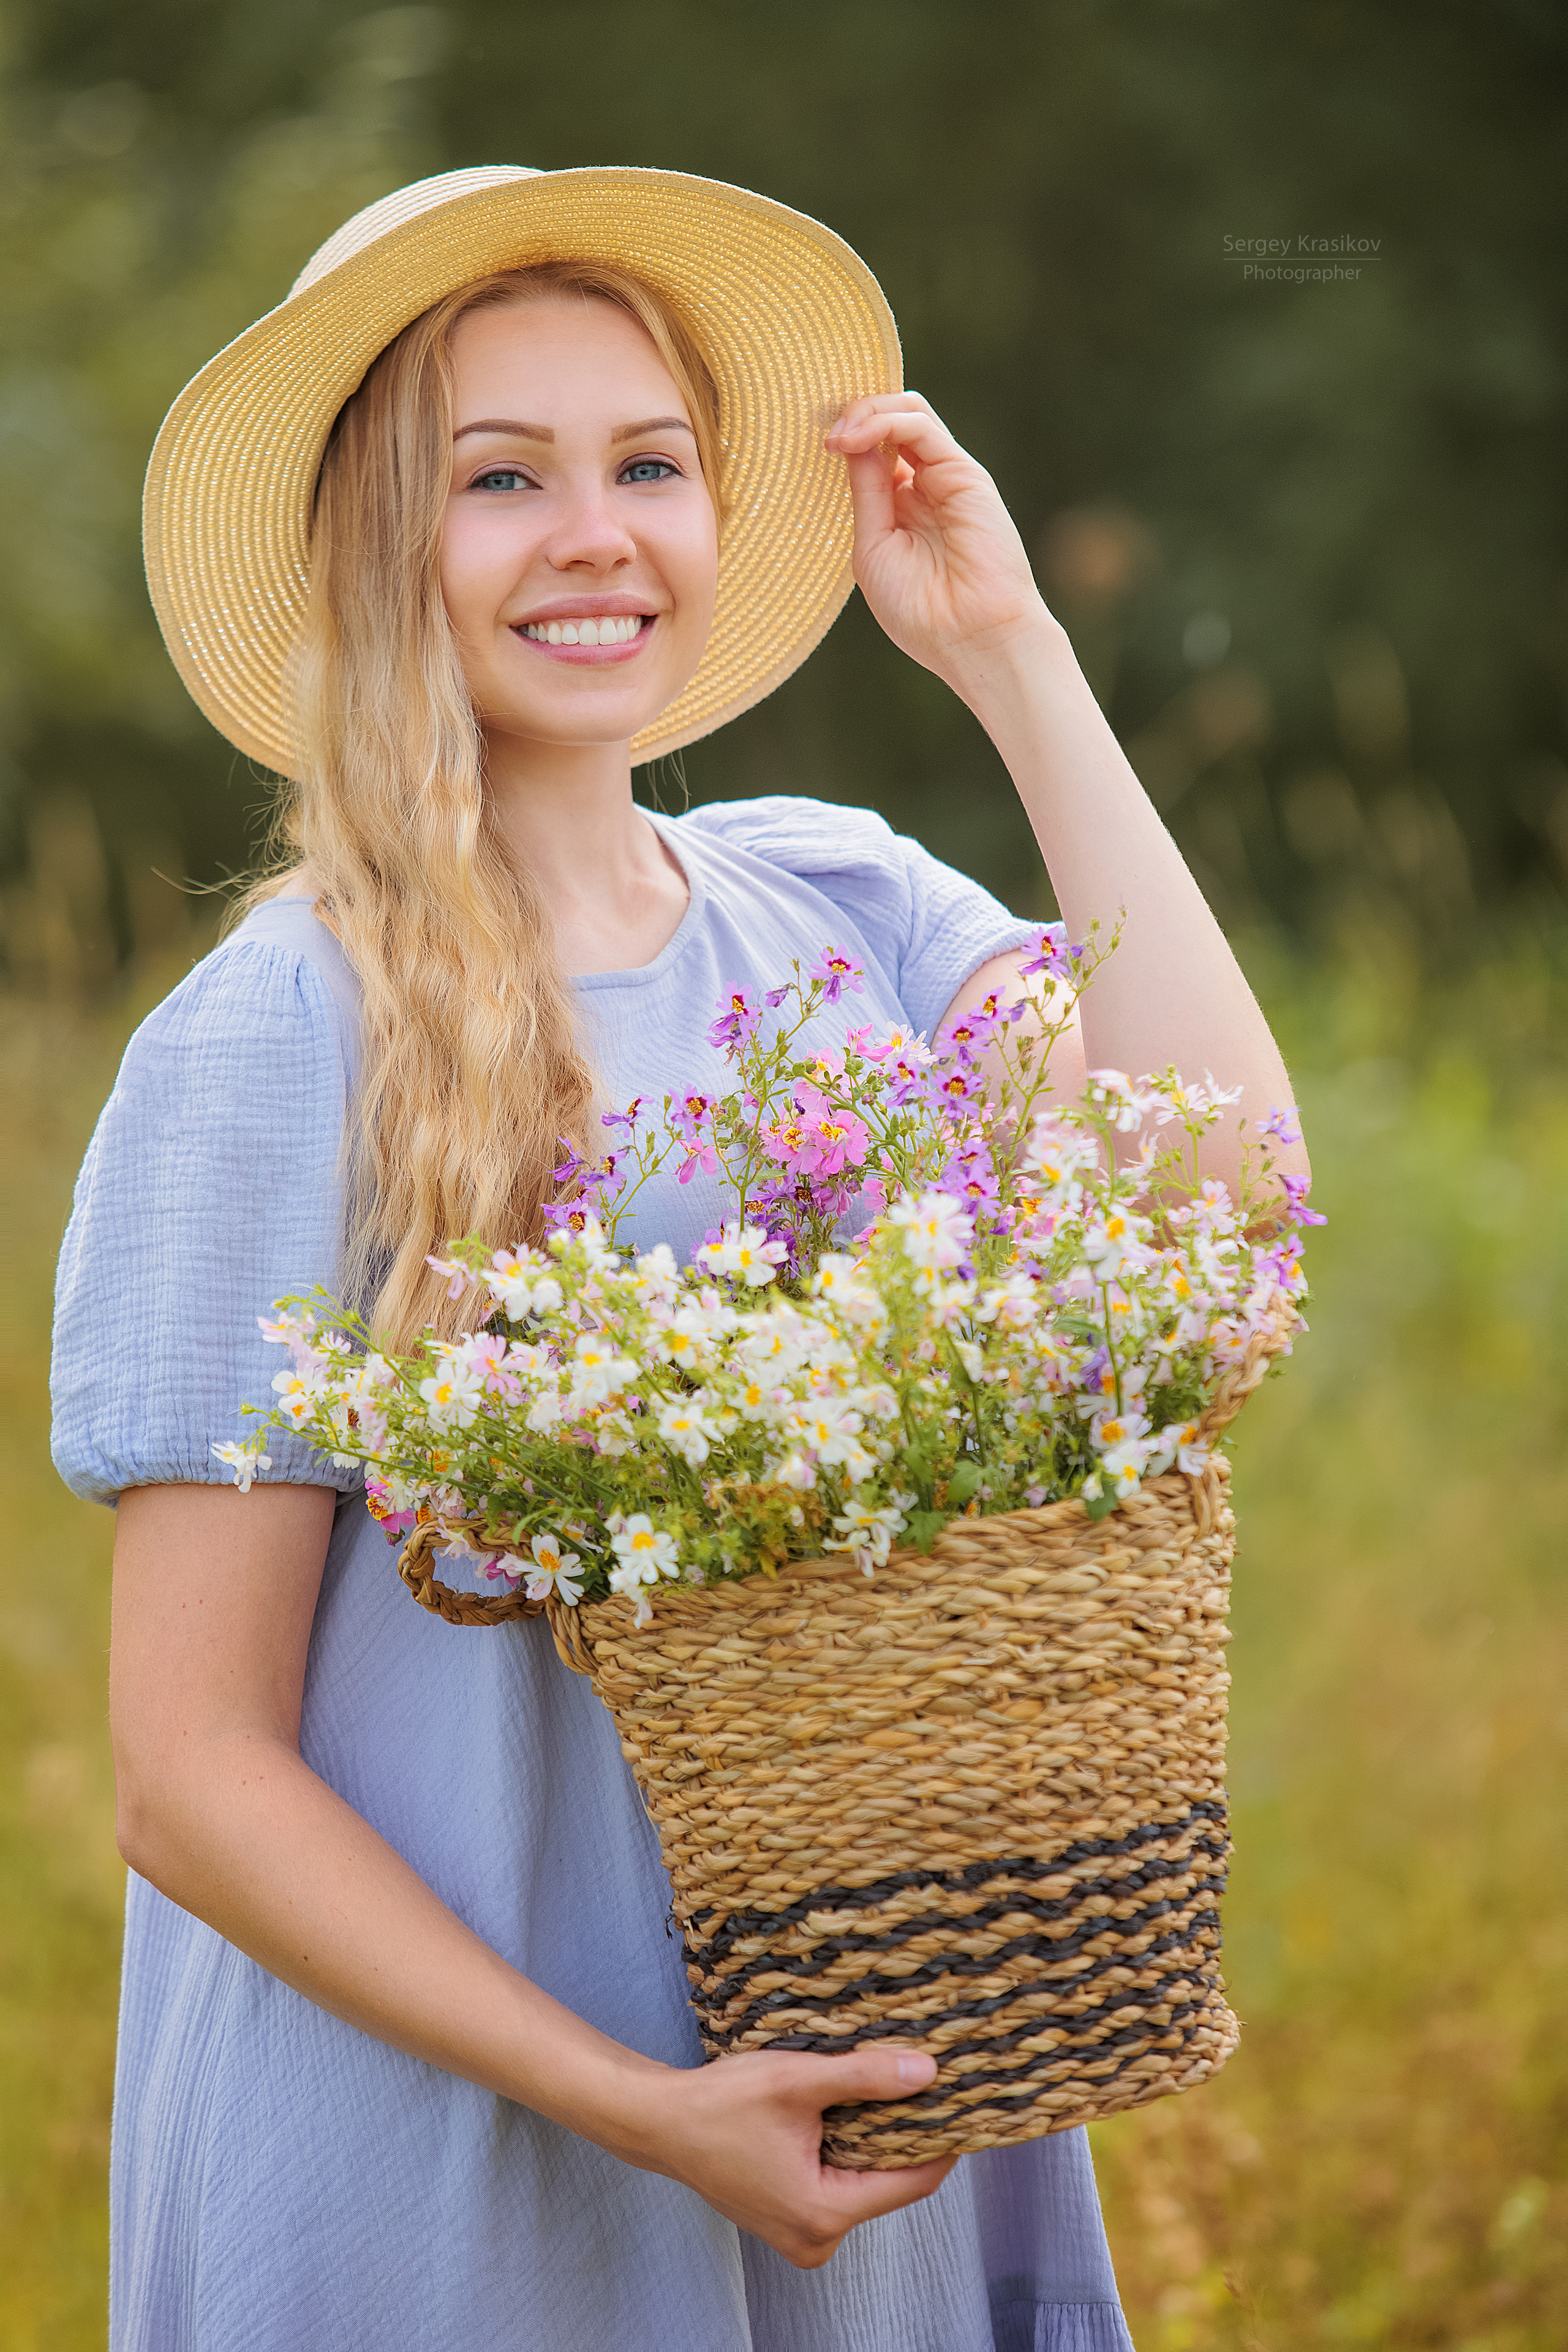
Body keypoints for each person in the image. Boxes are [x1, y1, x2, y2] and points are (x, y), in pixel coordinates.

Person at [52, 166, 1308, 2351]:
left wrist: (1014, 659)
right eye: (501, 477)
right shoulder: (280, 1033)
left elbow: (1216, 1197)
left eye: (649, 464)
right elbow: (192, 1769)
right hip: (468, 2147)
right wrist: (640, 2103)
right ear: (377, 546)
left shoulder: (839, 911)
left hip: (868, 2056)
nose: (596, 533)